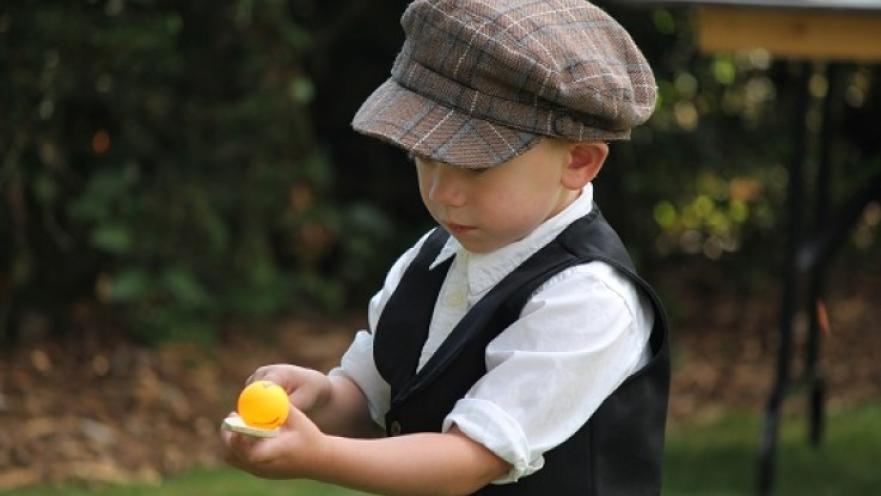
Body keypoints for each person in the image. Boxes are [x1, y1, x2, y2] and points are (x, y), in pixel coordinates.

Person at [221, 0, 670, 494]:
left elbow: (467, 460)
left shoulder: (587, 300)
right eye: (424, 159)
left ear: (579, 161)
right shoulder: (432, 257)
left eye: (476, 167)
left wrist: (317, 456)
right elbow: (374, 398)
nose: (442, 194)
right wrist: (321, 400)